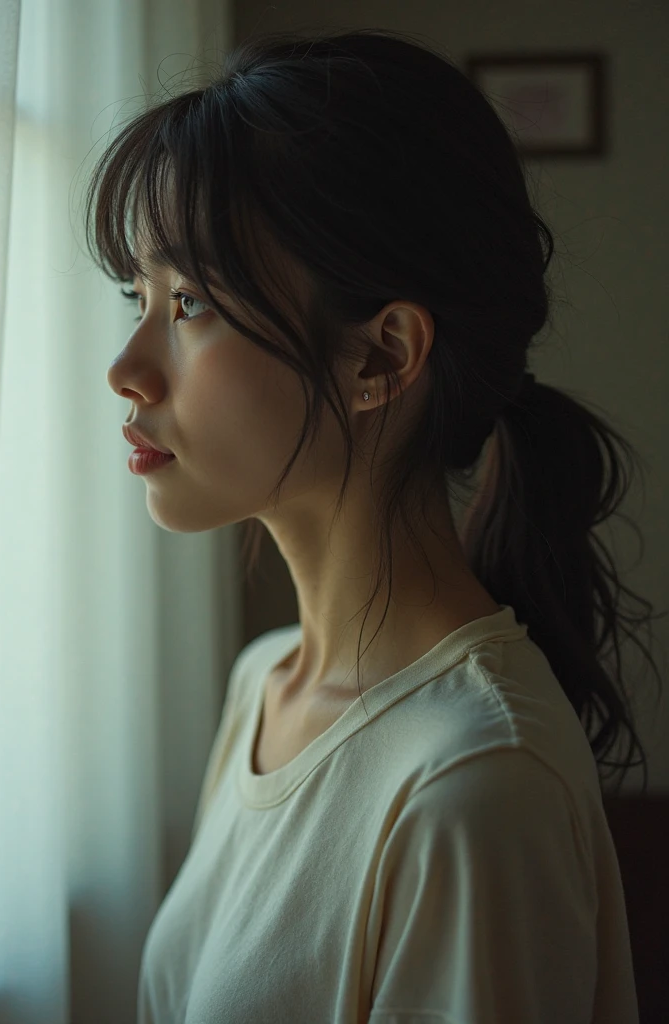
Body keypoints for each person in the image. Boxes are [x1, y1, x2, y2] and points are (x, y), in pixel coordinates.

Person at [92, 27, 664, 1024]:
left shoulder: (473, 784)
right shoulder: (267, 683)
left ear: (382, 357)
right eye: (135, 296)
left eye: (187, 302)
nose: (126, 368)